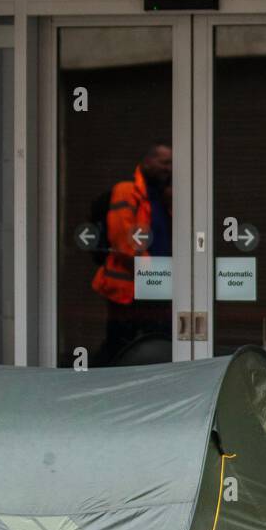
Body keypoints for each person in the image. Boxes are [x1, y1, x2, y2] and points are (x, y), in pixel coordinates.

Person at [91, 141, 173, 365]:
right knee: (121, 344)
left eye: (172, 164)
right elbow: (123, 240)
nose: (168, 168)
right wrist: (151, 275)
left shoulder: (158, 197)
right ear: (147, 162)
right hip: (132, 288)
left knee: (157, 342)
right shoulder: (127, 191)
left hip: (155, 284)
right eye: (164, 162)